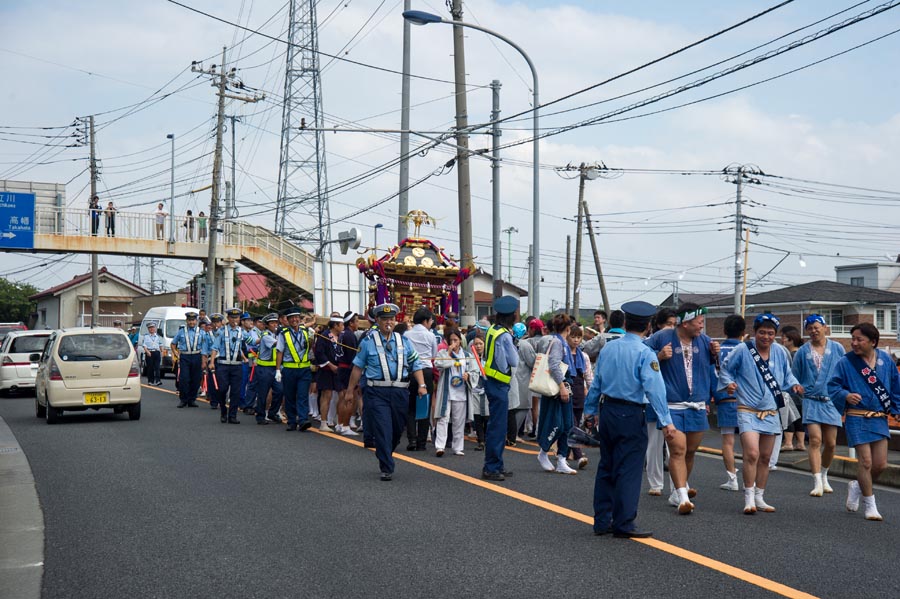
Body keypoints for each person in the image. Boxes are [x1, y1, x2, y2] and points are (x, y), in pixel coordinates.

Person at [583, 301, 675, 538]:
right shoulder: (645, 352)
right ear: (648, 326)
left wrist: (590, 410)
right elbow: (655, 388)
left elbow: (596, 384)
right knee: (630, 469)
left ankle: (602, 520)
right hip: (632, 412)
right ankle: (624, 522)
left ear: (625, 323)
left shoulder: (609, 349)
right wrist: (666, 421)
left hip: (608, 410)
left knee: (607, 465)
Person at [718, 313, 803, 515]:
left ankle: (759, 496)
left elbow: (787, 374)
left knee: (765, 457)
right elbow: (726, 369)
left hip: (772, 411)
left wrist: (795, 385)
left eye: (771, 333)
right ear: (754, 333)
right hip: (747, 410)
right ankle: (748, 498)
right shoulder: (742, 349)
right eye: (762, 332)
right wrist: (729, 384)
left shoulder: (781, 352)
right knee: (752, 453)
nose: (766, 337)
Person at [644, 303, 720, 515]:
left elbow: (714, 370)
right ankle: (683, 496)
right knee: (677, 449)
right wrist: (658, 357)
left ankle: (678, 490)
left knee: (690, 451)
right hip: (671, 406)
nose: (701, 327)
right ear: (685, 322)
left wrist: (716, 354)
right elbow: (642, 357)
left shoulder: (704, 342)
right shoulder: (661, 337)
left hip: (696, 405)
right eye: (699, 323)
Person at [347, 303, 428, 481]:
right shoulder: (368, 342)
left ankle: (386, 451)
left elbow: (416, 364)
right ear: (377, 321)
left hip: (400, 392)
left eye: (391, 319)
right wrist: (349, 391)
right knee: (383, 428)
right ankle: (386, 466)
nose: (388, 322)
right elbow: (357, 368)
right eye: (384, 319)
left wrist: (422, 385)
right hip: (377, 392)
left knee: (397, 429)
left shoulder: (404, 341)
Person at [828, 323, 900, 521]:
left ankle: (857, 486)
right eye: (853, 339)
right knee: (866, 462)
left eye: (859, 340)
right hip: (857, 417)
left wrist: (897, 409)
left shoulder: (885, 360)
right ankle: (870, 504)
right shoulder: (846, 362)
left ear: (873, 342)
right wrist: (845, 395)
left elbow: (895, 386)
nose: (854, 343)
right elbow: (833, 386)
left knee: (881, 465)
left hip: (879, 418)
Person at [792, 314, 845, 497]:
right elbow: (794, 376)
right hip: (811, 400)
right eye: (810, 328)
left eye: (817, 327)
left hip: (831, 401)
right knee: (815, 440)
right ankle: (816, 481)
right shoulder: (802, 352)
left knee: (830, 443)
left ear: (825, 328)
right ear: (806, 331)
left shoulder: (837, 348)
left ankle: (824, 474)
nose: (814, 331)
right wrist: (797, 388)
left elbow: (844, 373)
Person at [481, 296, 520, 481]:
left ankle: (496, 465)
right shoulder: (505, 335)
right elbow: (514, 361)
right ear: (511, 316)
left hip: (490, 380)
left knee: (495, 425)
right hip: (499, 382)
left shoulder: (492, 330)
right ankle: (492, 467)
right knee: (498, 427)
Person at [534, 314, 578, 475]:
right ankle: (545, 452)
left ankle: (561, 459)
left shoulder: (551, 339)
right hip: (559, 387)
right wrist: (562, 386)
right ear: (568, 328)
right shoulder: (559, 342)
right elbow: (553, 365)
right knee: (559, 423)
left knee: (566, 425)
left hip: (561, 387)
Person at [645, 308, 677, 496]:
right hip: (653, 397)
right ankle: (655, 483)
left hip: (674, 399)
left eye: (674, 325)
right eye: (668, 324)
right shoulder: (651, 341)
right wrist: (659, 356)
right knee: (654, 442)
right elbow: (641, 361)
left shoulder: (682, 341)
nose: (671, 328)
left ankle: (678, 485)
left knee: (675, 443)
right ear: (658, 325)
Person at [433, 328, 479, 457]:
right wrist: (448, 352)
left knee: (459, 421)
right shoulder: (443, 353)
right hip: (446, 392)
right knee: (443, 418)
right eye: (451, 340)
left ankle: (458, 447)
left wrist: (468, 376)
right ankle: (440, 446)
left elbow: (475, 372)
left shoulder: (467, 355)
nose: (453, 342)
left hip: (461, 392)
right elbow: (439, 365)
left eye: (456, 340)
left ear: (460, 341)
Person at [714, 315, 746, 491]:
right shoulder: (747, 349)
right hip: (746, 400)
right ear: (743, 332)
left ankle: (732, 478)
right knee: (748, 441)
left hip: (725, 399)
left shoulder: (717, 349)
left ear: (724, 331)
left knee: (727, 441)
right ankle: (752, 480)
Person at [402, 307, 438, 450]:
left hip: (410, 371)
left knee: (410, 407)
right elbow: (434, 354)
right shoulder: (430, 336)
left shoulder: (406, 334)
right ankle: (421, 442)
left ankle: (411, 440)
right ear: (425, 321)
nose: (431, 323)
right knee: (425, 406)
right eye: (430, 320)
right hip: (426, 370)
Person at [276, 306, 313, 431]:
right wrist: (277, 370)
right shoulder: (283, 334)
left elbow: (310, 346)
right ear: (288, 320)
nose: (295, 320)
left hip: (304, 369)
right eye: (292, 318)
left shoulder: (305, 331)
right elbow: (279, 351)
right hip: (289, 369)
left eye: (297, 317)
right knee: (290, 396)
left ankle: (303, 420)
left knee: (302, 395)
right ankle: (292, 421)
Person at [210, 308, 248, 424]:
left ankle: (232, 415)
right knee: (222, 389)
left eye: (236, 317)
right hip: (223, 365)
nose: (234, 320)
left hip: (237, 365)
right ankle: (223, 411)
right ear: (228, 318)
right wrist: (211, 362)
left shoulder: (242, 332)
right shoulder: (222, 331)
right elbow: (215, 348)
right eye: (232, 317)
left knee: (236, 391)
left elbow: (252, 341)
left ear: (239, 319)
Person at [170, 311, 210, 408]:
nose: (191, 322)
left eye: (193, 320)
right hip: (185, 357)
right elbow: (173, 344)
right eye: (190, 320)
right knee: (184, 379)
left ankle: (192, 399)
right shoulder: (181, 332)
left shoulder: (201, 332)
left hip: (197, 356)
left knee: (196, 379)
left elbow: (205, 347)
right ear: (186, 321)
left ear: (196, 321)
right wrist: (176, 354)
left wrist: (204, 360)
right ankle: (183, 400)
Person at [566, 325, 593, 470]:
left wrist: (592, 393)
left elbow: (589, 377)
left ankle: (564, 455)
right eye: (573, 337)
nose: (576, 340)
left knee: (575, 422)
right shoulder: (564, 353)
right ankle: (578, 454)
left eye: (579, 337)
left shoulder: (584, 356)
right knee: (573, 424)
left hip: (579, 392)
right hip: (566, 391)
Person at [315, 314, 345, 432]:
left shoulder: (341, 336)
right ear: (335, 325)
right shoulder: (324, 336)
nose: (343, 327)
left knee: (341, 395)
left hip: (338, 370)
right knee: (326, 396)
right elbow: (319, 353)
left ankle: (339, 421)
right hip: (327, 369)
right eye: (341, 325)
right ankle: (323, 422)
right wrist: (329, 364)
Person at [254, 313, 285, 425]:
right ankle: (260, 416)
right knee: (263, 393)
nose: (275, 325)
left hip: (275, 368)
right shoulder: (266, 335)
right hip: (264, 368)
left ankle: (272, 413)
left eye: (276, 323)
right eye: (272, 323)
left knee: (280, 391)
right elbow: (277, 345)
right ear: (267, 325)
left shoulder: (278, 335)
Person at [779, 325, 805, 452]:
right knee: (799, 417)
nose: (781, 339)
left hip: (790, 390)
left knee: (788, 416)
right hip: (802, 391)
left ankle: (788, 442)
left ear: (791, 339)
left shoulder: (790, 355)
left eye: (784, 337)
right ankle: (800, 443)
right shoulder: (803, 353)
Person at [336, 311, 361, 435]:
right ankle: (345, 426)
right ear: (351, 323)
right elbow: (353, 357)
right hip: (347, 369)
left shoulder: (343, 333)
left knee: (342, 397)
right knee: (349, 398)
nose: (358, 323)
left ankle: (340, 424)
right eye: (356, 321)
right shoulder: (350, 336)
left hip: (341, 367)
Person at [239, 312, 261, 416]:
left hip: (253, 358)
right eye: (247, 320)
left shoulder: (254, 331)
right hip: (243, 358)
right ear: (242, 322)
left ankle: (249, 402)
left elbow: (255, 342)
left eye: (251, 320)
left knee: (251, 380)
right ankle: (242, 402)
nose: (250, 322)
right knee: (243, 381)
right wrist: (244, 357)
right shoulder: (239, 331)